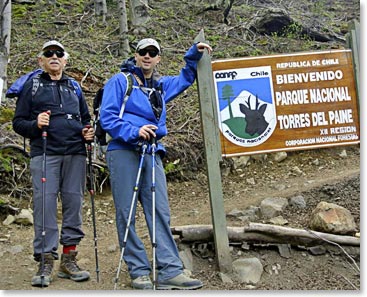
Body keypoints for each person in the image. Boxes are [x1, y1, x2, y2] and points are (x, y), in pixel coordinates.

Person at [100, 38, 212, 290]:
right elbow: (106, 117)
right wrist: (134, 130)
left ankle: (170, 270)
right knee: (126, 212)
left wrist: (194, 54)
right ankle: (138, 270)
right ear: (136, 56)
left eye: (153, 53)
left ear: (159, 58)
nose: (148, 56)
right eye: (143, 52)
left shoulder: (161, 86)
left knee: (159, 210)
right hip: (123, 150)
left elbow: (186, 77)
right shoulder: (120, 81)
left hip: (151, 151)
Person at [12, 40, 94, 287]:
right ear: (41, 61)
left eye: (59, 53)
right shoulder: (32, 86)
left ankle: (69, 258)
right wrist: (36, 124)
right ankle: (45, 259)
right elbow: (18, 123)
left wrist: (88, 132)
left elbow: (86, 119)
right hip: (45, 152)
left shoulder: (74, 87)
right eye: (49, 53)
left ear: (66, 60)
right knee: (45, 204)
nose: (54, 56)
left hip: (75, 152)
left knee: (73, 203)